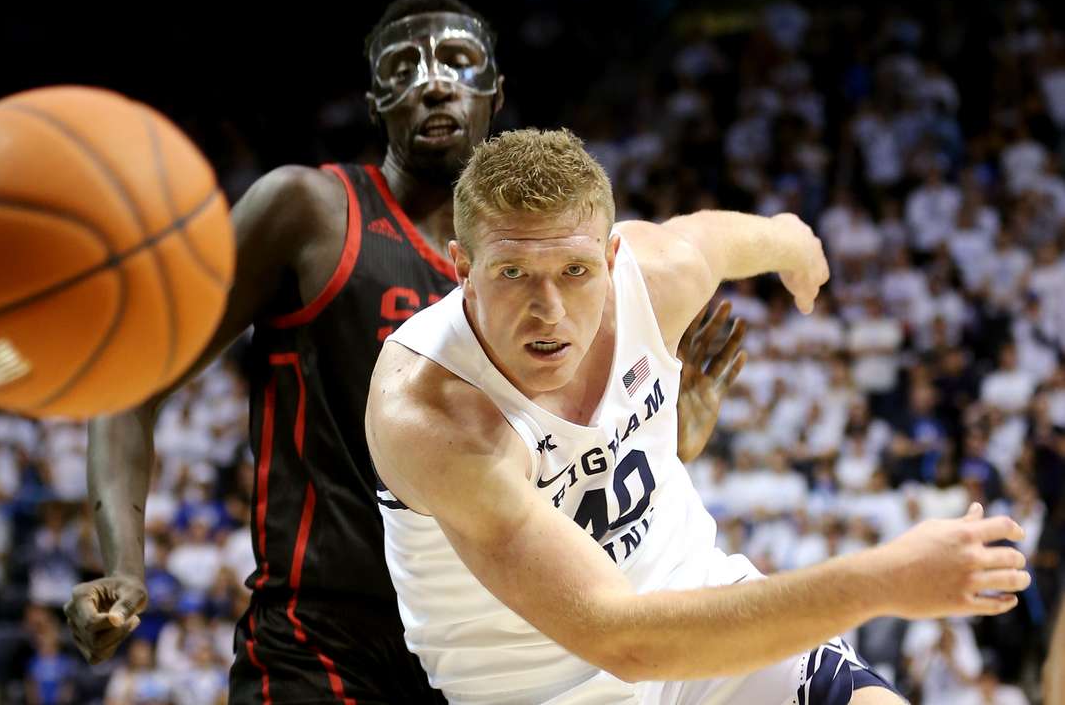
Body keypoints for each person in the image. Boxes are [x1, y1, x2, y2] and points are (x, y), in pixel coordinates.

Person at [64, 0, 747, 705]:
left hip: (486, 653)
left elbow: (565, 470)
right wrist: (125, 565)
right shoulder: (310, 212)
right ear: (375, 102)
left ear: (495, 91)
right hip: (323, 641)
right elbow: (133, 377)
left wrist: (670, 439)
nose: (431, 80)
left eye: (456, 60)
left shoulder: (545, 273)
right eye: (403, 67)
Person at [366, 128, 1031, 704]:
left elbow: (765, 235)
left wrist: (800, 255)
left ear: (613, 258)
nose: (550, 309)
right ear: (462, 268)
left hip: (698, 610)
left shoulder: (658, 275)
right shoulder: (434, 415)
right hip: (552, 687)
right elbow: (621, 637)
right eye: (513, 273)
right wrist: (883, 579)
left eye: (575, 270)